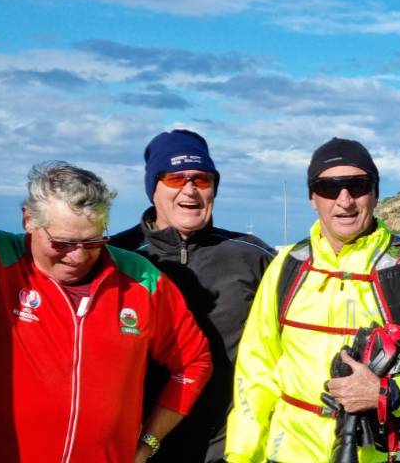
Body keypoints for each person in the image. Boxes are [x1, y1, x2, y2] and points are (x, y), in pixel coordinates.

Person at [0, 63, 213, 463]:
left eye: (93, 242)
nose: (77, 255)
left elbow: (193, 361)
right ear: (28, 220)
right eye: (61, 242)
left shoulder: (140, 278)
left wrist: (148, 444)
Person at [224, 138, 400, 463]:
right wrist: (240, 455)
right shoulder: (287, 267)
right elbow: (255, 371)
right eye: (329, 188)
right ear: (312, 197)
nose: (344, 200)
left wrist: (386, 393)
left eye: (358, 186)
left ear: (375, 193)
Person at [110, 129, 276, 463]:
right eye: (175, 178)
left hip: (230, 448)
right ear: (152, 188)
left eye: (202, 179)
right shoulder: (116, 256)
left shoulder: (251, 255)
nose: (190, 189)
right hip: (137, 449)